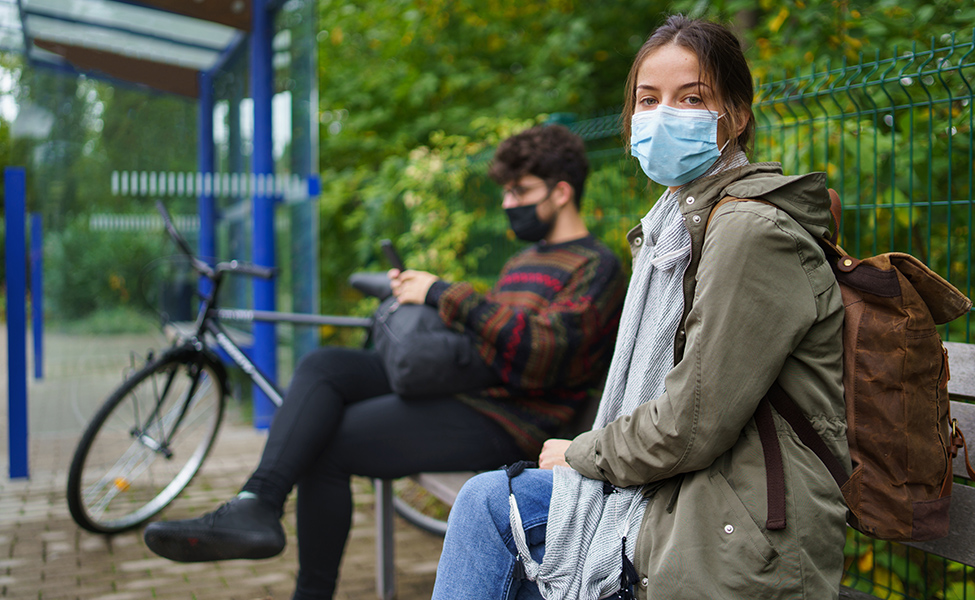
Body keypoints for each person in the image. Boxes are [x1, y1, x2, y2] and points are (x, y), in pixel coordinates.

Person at [431, 15, 850, 600]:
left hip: (741, 522)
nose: (662, 116)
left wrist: (582, 453)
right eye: (648, 100)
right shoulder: (672, 229)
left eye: (691, 97)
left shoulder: (750, 233)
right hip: (689, 492)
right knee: (497, 511)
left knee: (489, 507)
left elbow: (692, 424)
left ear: (736, 115)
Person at [142, 124, 627, 600]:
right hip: (472, 383)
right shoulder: (525, 261)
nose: (507, 204)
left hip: (512, 418)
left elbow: (546, 350)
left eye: (519, 191)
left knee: (327, 444)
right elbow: (498, 331)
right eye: (505, 191)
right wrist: (431, 305)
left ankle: (309, 591)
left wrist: (443, 293)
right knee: (325, 366)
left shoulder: (596, 267)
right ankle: (256, 503)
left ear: (562, 192)